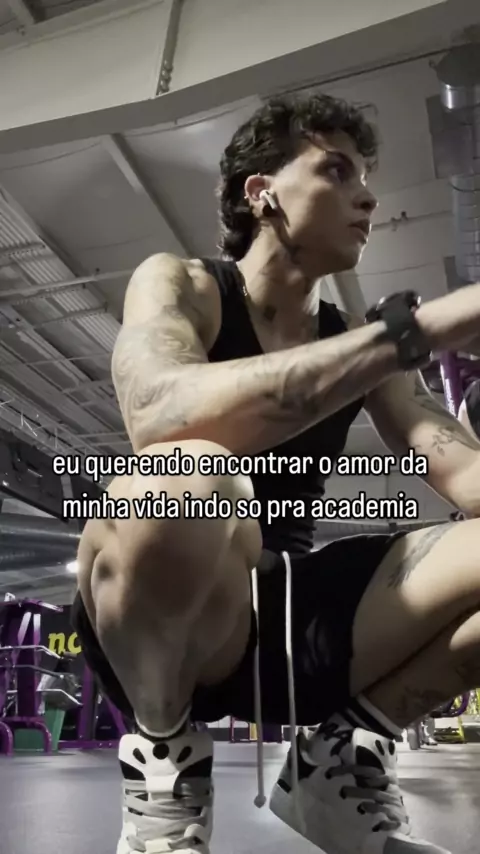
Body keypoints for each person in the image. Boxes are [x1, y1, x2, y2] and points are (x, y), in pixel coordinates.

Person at [72, 93, 480, 854]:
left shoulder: (358, 341)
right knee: (187, 475)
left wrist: (390, 347)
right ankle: (164, 765)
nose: (367, 197)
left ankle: (339, 759)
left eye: (366, 179)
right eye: (337, 171)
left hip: (294, 629)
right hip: (179, 611)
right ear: (262, 193)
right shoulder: (182, 285)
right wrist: (418, 330)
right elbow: (158, 414)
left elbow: (463, 471)